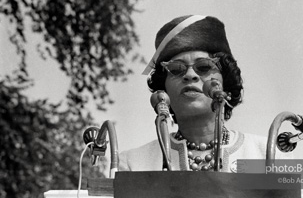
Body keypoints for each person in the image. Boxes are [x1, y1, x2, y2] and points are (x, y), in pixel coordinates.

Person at [119, 15, 288, 172]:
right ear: (163, 90)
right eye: (176, 69)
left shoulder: (268, 157)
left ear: (225, 82)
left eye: (204, 67)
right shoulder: (133, 164)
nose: (190, 75)